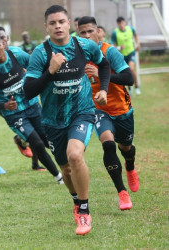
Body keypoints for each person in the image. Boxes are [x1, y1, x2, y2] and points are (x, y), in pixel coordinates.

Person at [23, 5, 111, 235]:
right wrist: (50, 71)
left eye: (61, 22)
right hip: (52, 120)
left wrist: (103, 89)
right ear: (46, 27)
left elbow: (104, 64)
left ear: (69, 23)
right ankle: (75, 199)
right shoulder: (40, 54)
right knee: (65, 168)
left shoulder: (85, 45)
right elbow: (29, 91)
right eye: (52, 23)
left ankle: (84, 210)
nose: (58, 26)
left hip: (82, 111)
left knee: (75, 155)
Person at [0, 31, 63, 184]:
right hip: (14, 115)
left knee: (48, 140)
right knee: (37, 143)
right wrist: (4, 105)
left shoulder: (17, 55)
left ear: (3, 44)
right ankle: (59, 177)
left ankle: (67, 167)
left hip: (32, 105)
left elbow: (37, 66)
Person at [78, 16, 140, 211]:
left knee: (126, 148)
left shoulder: (109, 52)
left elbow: (128, 78)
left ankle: (130, 166)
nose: (87, 36)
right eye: (82, 33)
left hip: (122, 110)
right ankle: (121, 192)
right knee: (108, 144)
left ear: (98, 31)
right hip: (98, 110)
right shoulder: (78, 55)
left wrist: (101, 75)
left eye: (90, 31)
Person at [0, 26, 45, 171]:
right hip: (5, 103)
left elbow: (34, 67)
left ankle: (31, 157)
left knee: (38, 132)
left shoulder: (16, 54)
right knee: (32, 132)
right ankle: (31, 156)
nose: (2, 43)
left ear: (6, 39)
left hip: (26, 100)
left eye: (3, 38)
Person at [111, 17, 141, 95]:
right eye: (119, 23)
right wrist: (119, 47)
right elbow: (113, 46)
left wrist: (137, 44)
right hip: (122, 55)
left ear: (124, 22)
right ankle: (129, 88)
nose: (121, 25)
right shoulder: (115, 33)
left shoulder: (130, 29)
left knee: (131, 69)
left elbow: (135, 35)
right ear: (118, 24)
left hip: (131, 52)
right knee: (125, 72)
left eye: (122, 23)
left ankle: (137, 87)